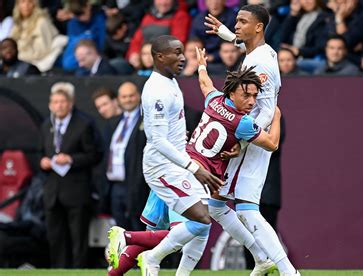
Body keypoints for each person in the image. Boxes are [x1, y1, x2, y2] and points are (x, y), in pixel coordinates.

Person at [106, 48, 282, 276]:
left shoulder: (214, 99)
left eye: (255, 97)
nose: (252, 102)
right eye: (246, 96)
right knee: (197, 225)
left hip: (177, 167)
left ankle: (118, 270)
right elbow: (272, 143)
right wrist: (275, 116)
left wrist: (201, 65)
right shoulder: (243, 122)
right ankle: (130, 239)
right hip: (193, 176)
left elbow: (205, 83)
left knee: (190, 230)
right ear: (232, 93)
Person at [205, 4, 300, 275]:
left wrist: (242, 141)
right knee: (217, 204)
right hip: (246, 138)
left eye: (242, 21)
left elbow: (268, 109)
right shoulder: (255, 52)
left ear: (258, 27)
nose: (236, 25)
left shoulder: (263, 63)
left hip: (252, 142)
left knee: (245, 209)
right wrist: (225, 33)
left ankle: (287, 271)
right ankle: (262, 257)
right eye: (236, 20)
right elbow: (238, 39)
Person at [136, 34, 223, 276]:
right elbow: (157, 140)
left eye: (182, 51)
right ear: (159, 56)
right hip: (161, 167)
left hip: (177, 164)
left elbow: (168, 132)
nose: (183, 57)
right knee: (201, 219)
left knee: (203, 224)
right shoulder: (156, 91)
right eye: (176, 52)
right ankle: (151, 258)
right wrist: (196, 168)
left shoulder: (169, 81)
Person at [39, 82, 102, 268]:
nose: (58, 105)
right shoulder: (46, 125)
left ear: (71, 103)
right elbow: (40, 152)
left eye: (62, 101)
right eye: (55, 102)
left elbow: (95, 155)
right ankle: (59, 270)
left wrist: (71, 159)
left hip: (77, 190)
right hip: (53, 192)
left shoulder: (84, 124)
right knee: (56, 236)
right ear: (50, 104)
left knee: (78, 237)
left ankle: (78, 270)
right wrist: (43, 162)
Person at [104, 81, 149, 231]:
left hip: (136, 184)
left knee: (138, 228)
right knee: (120, 230)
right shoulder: (113, 123)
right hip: (116, 185)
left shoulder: (146, 120)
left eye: (131, 95)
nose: (128, 99)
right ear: (118, 99)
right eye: (124, 96)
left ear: (138, 96)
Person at [10, 0, 67, 72]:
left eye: (30, 2)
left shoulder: (42, 22)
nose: (26, 5)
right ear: (18, 5)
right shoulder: (17, 24)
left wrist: (17, 57)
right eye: (23, 2)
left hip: (36, 64)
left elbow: (41, 52)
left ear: (35, 4)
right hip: (18, 64)